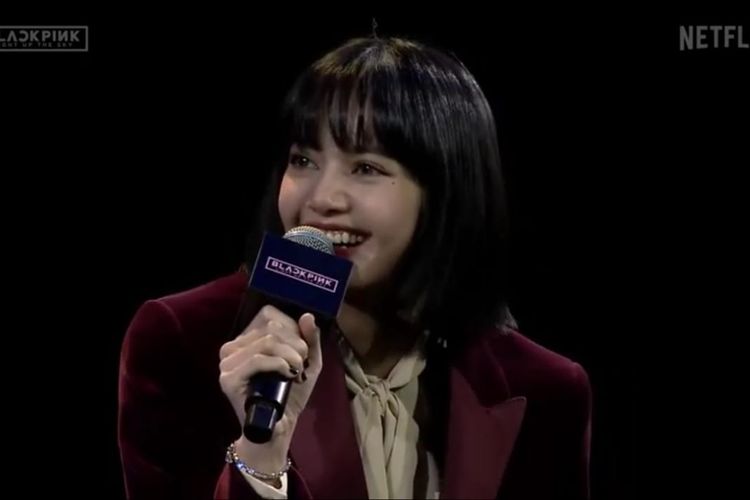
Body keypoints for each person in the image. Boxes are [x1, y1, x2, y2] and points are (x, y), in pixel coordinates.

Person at [118, 36, 592, 500]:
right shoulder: (186, 341)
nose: (321, 199)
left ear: (445, 192)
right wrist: (260, 460)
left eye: (365, 167)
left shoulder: (545, 391)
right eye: (303, 160)